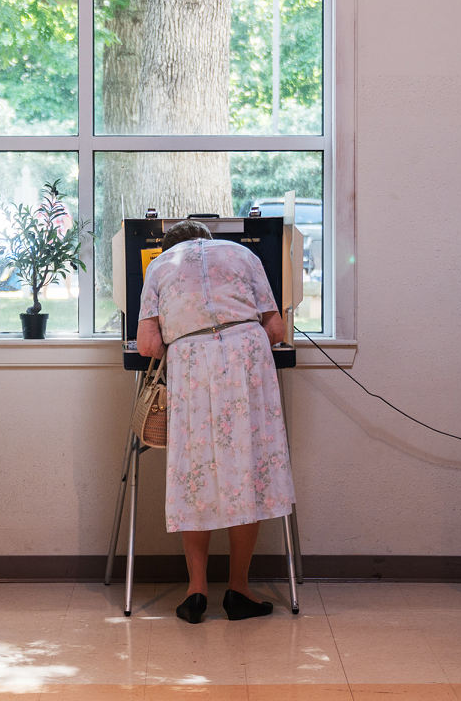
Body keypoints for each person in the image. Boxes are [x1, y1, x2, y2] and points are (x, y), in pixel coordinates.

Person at [136, 219, 295, 624]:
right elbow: (275, 329)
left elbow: (148, 345)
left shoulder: (158, 266)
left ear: (170, 245)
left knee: (197, 474)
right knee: (248, 472)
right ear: (207, 239)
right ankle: (238, 589)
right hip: (245, 363)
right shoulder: (243, 253)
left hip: (193, 367)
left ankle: (196, 592)